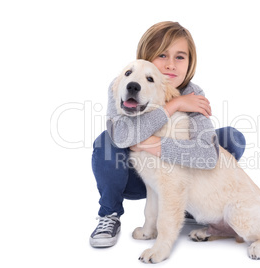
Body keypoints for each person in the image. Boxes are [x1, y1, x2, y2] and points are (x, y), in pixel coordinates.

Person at [90, 21, 246, 248]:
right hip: (133, 178)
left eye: (180, 57)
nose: (171, 65)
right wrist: (174, 106)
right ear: (147, 56)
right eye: (162, 55)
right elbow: (122, 137)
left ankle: (190, 204)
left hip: (177, 177)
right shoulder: (123, 82)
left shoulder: (193, 93)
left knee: (230, 139)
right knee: (106, 141)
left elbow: (209, 157)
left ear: (190, 62)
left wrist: (151, 144)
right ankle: (109, 214)